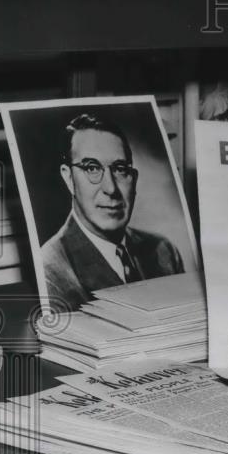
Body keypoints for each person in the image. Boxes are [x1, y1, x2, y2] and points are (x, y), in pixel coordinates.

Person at [41, 113, 184, 311]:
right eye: (92, 168)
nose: (111, 188)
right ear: (68, 178)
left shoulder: (164, 251)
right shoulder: (50, 271)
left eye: (120, 169)